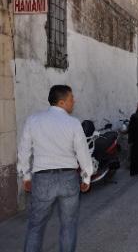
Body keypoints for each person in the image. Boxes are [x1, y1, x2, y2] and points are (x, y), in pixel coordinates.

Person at [17, 85, 93, 252]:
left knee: (35, 227)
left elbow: (24, 150)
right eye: (71, 99)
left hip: (43, 179)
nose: (74, 101)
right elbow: (83, 153)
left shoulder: (33, 120)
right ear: (61, 102)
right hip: (68, 179)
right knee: (68, 226)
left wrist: (26, 176)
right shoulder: (73, 123)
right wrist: (86, 177)